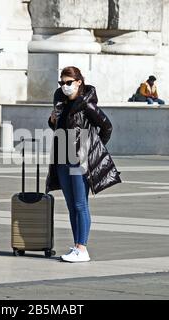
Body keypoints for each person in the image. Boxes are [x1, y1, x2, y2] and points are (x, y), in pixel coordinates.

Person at [46, 66, 122, 263]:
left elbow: (107, 127)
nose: (64, 86)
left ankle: (82, 247)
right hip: (62, 157)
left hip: (80, 160)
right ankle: (76, 246)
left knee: (81, 204)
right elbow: (59, 126)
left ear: (79, 82)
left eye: (68, 82)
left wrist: (93, 148)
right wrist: (52, 120)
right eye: (61, 83)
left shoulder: (88, 105)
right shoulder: (60, 103)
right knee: (71, 206)